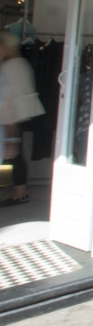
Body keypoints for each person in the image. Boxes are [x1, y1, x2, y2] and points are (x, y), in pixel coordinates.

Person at [0, 32, 42, 207]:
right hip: (20, 113)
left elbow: (4, 97)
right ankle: (20, 191)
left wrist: (11, 135)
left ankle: (19, 192)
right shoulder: (22, 63)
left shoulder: (9, 67)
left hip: (10, 114)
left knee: (13, 152)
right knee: (16, 154)